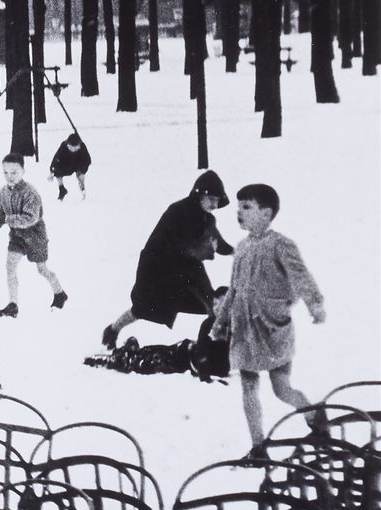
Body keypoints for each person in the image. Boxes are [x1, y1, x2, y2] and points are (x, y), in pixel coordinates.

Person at [211, 184, 328, 460]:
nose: (239, 212)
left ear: (266, 213)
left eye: (247, 207)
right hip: (244, 330)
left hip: (273, 328)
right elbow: (234, 289)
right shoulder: (241, 248)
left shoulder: (280, 244)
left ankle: (316, 418)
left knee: (281, 388)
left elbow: (300, 276)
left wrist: (315, 303)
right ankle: (258, 447)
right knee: (248, 385)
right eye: (239, 207)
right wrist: (220, 323)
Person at [101, 170, 233, 351]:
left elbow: (218, 244)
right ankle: (113, 330)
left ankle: (217, 347)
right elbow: (175, 242)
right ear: (199, 194)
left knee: (210, 303)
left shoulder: (207, 219)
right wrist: (198, 249)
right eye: (211, 198)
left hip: (187, 269)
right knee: (143, 308)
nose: (214, 204)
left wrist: (235, 252)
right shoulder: (179, 211)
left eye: (217, 200)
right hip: (158, 267)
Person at [0, 154, 66, 318]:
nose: (9, 176)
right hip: (17, 236)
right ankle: (13, 304)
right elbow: (3, 213)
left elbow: (31, 218)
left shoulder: (30, 193)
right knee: (10, 267)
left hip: (35, 237)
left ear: (23, 171)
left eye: (14, 172)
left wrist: (7, 219)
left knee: (42, 270)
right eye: (5, 172)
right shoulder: (3, 192)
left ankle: (59, 293)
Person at [48, 132, 91, 201]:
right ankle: (62, 189)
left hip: (79, 164)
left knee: (80, 177)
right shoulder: (64, 145)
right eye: (71, 147)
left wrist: (83, 172)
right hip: (67, 164)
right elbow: (56, 158)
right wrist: (51, 171)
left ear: (79, 145)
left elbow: (88, 160)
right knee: (57, 171)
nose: (73, 150)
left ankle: (82, 187)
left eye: (75, 147)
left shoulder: (82, 146)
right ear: (67, 144)